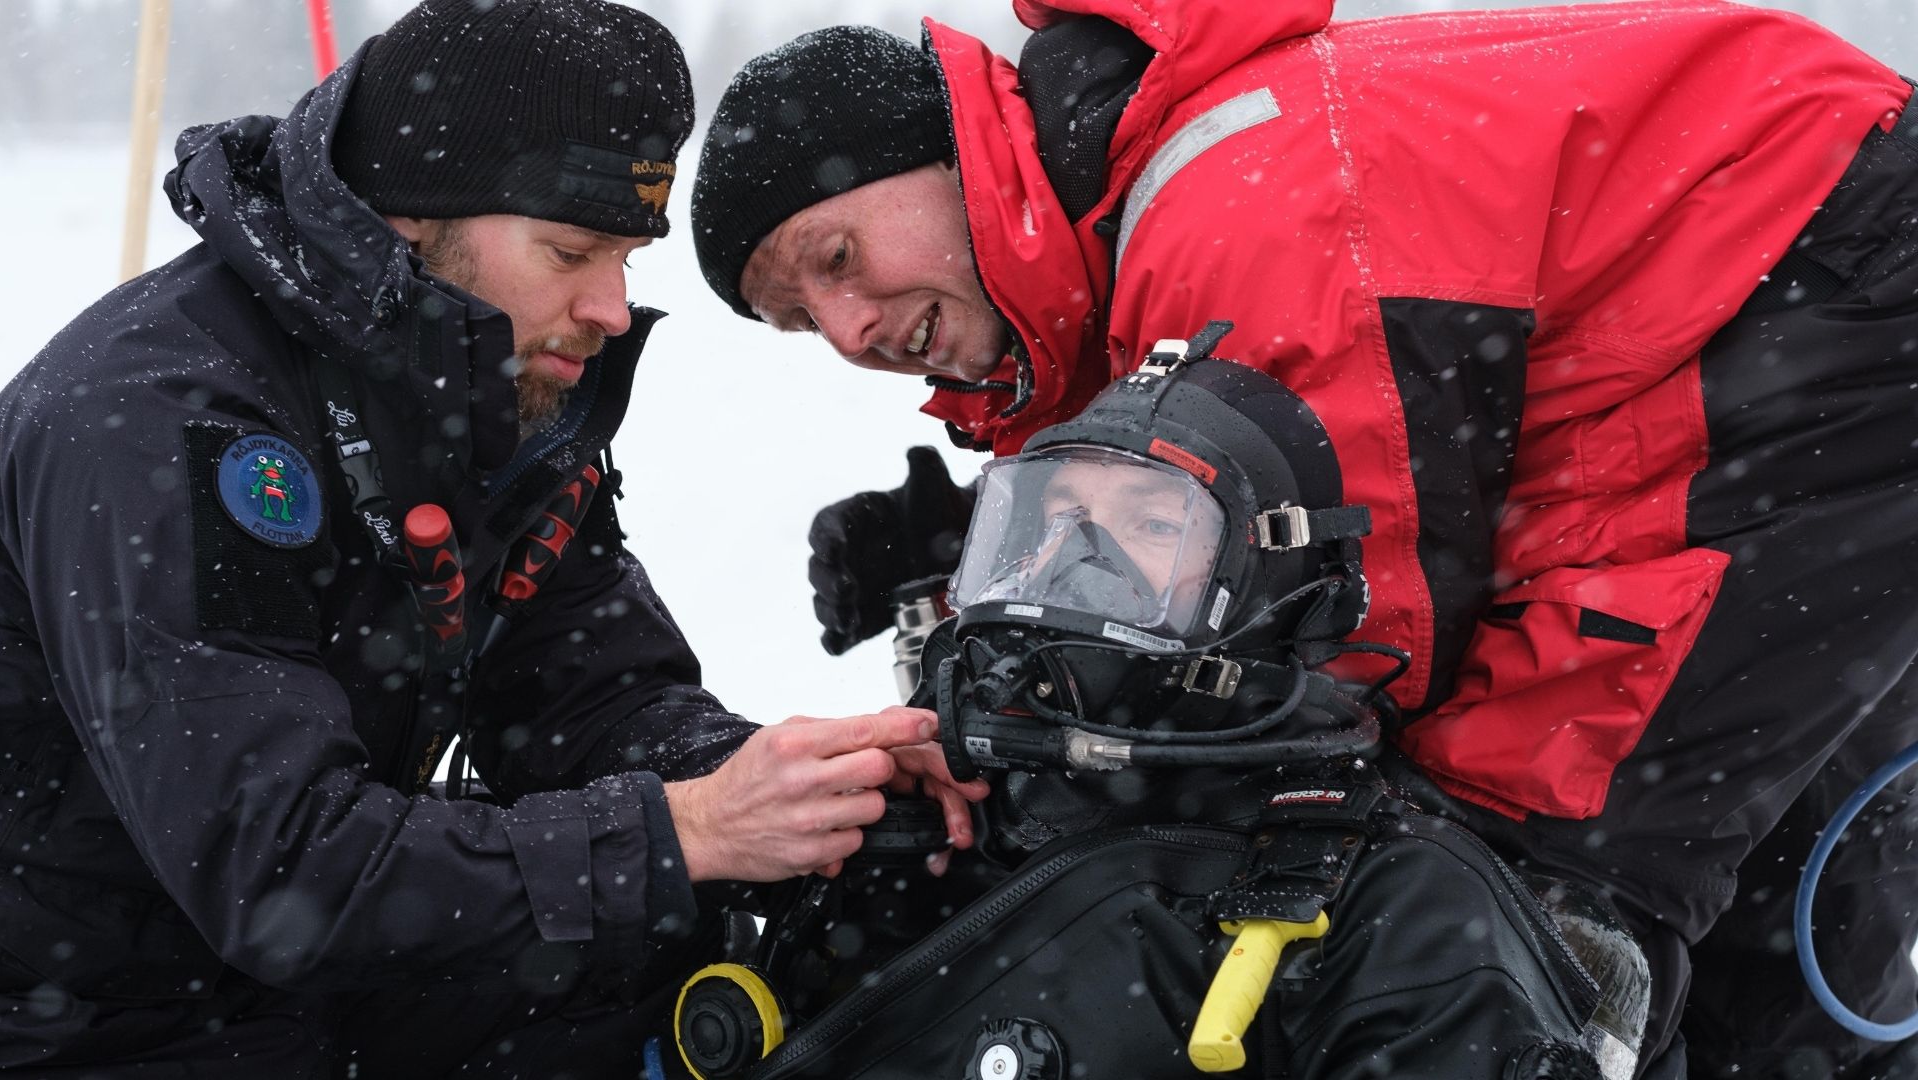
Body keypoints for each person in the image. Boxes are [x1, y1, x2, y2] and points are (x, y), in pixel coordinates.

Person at [687, 6, 1918, 1078]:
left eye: (837, 260)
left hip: (1828, 306)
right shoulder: (1143, 232)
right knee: (1762, 855)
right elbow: (1243, 509)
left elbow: (1340, 629)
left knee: (1538, 836)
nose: (847, 330)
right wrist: (974, 558)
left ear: (953, 153)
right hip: (1737, 334)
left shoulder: (1227, 212)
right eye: (802, 322)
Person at [0, 2, 979, 1075]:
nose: (611, 307)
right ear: (415, 221)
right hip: (85, 1019)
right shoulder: (163, 422)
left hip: (302, 993)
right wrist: (684, 830)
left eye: (627, 259)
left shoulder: (487, 393)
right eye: (573, 250)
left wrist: (787, 787)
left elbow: (590, 701)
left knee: (760, 983)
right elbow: (271, 864)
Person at [672, 351, 1633, 1080]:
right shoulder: (922, 815)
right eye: (1049, 518)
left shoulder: (1392, 910)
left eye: (1153, 524)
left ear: (1273, 581)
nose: (1072, 560)